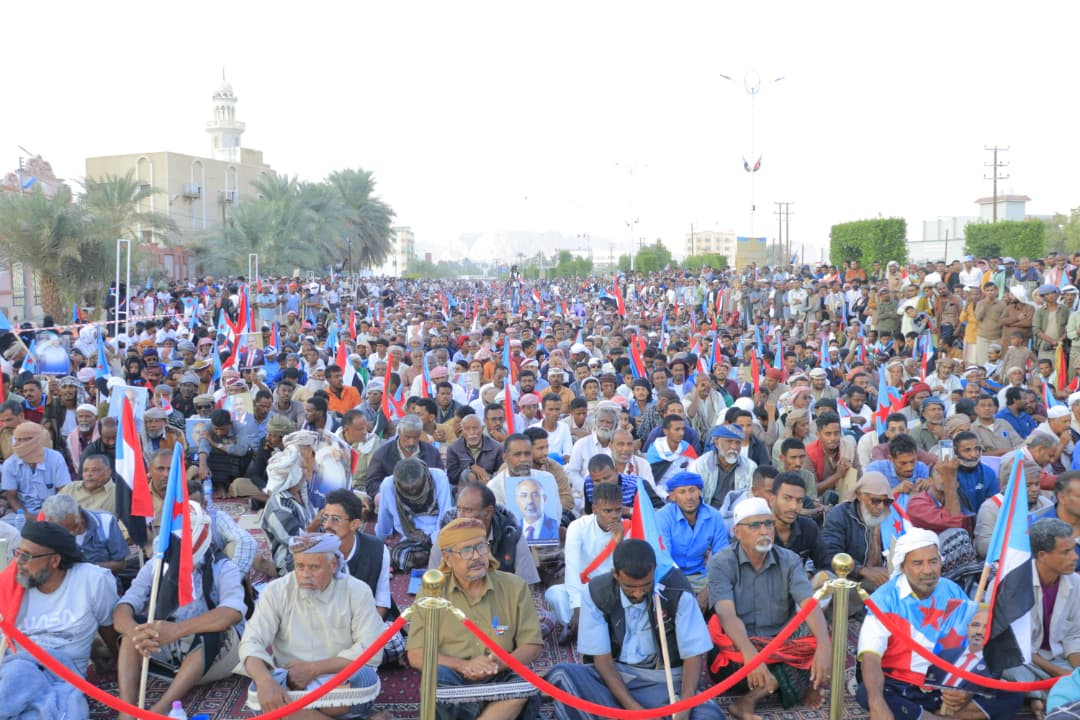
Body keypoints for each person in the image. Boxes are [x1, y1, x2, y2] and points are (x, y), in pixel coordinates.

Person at [546, 539, 725, 720]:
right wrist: (636, 712)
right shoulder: (597, 592)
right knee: (563, 675)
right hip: (616, 679)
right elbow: (603, 662)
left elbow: (693, 657)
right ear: (615, 574)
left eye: (645, 586)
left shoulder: (678, 590)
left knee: (708, 715)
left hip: (665, 683)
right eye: (630, 587)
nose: (638, 594)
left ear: (654, 570)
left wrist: (684, 711)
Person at [114, 502, 246, 720]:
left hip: (213, 654)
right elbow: (123, 608)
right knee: (133, 632)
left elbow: (232, 612)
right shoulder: (156, 565)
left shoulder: (222, 567)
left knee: (212, 632)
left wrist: (177, 630)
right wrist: (134, 632)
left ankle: (161, 708)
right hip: (167, 647)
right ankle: (127, 711)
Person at [238, 533, 389, 720]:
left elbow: (371, 651)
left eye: (314, 567)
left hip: (338, 678)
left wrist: (314, 669)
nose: (305, 575)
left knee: (366, 679)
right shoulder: (276, 591)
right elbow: (251, 642)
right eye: (300, 566)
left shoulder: (357, 591)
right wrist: (265, 681)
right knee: (258, 691)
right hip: (292, 683)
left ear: (333, 566)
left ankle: (299, 715)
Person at [406, 517, 543, 720]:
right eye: (466, 551)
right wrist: (462, 665)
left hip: (500, 673)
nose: (477, 556)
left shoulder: (514, 586)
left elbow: (532, 644)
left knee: (524, 682)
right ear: (448, 557)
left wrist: (499, 664)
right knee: (435, 678)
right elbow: (416, 655)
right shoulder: (432, 591)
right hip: (454, 676)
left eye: (481, 547)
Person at [706, 496, 832, 715]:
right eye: (755, 525)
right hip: (740, 654)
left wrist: (823, 646)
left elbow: (808, 604)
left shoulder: (790, 560)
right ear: (737, 532)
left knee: (821, 630)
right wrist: (751, 656)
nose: (764, 530)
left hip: (780, 645)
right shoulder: (721, 562)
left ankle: (755, 695)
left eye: (768, 523)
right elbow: (727, 614)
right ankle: (790, 686)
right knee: (722, 637)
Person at [856, 528, 978, 720]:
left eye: (933, 561)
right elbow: (871, 655)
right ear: (903, 566)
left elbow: (972, 642)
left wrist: (967, 688)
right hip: (901, 683)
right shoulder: (885, 598)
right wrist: (876, 703)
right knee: (870, 693)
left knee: (1007, 694)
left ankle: (926, 715)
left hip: (944, 684)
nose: (928, 570)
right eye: (918, 563)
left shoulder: (952, 590)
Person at [5, 521, 118, 719]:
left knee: (68, 711)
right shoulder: (10, 585)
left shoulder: (92, 581)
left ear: (55, 560)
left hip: (64, 677)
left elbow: (109, 627)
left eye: (27, 556)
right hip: (17, 670)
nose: (18, 561)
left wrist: (115, 657)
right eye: (18, 552)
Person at [1003, 518, 1080, 718]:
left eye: (1073, 549)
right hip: (1020, 661)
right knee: (1009, 669)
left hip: (1058, 659)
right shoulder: (1012, 583)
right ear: (1042, 555)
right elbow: (1015, 645)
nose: (1075, 557)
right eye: (1066, 552)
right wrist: (1061, 674)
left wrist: (1076, 674)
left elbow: (1074, 635)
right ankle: (1039, 695)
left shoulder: (1076, 582)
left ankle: (1038, 696)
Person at [318, 488, 404, 667]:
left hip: (364, 623)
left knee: (394, 642)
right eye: (325, 518)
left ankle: (345, 662)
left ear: (355, 524)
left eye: (335, 519)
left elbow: (381, 603)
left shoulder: (377, 549)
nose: (327, 525)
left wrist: (360, 633)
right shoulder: (316, 552)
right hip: (325, 627)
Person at [544, 482, 625, 644]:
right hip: (585, 588)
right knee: (554, 594)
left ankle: (585, 631)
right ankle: (584, 626)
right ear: (595, 509)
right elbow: (572, 569)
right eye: (607, 511)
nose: (614, 516)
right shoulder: (578, 527)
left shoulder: (627, 528)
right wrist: (577, 608)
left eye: (618, 510)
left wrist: (619, 542)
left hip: (613, 589)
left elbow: (626, 572)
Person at [655, 471, 729, 597]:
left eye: (692, 490)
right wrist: (685, 592)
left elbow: (722, 557)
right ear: (672, 496)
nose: (689, 497)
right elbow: (664, 560)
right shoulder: (663, 517)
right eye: (682, 492)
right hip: (671, 578)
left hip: (701, 577)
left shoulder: (714, 516)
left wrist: (707, 592)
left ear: (700, 492)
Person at [374, 456, 452, 570]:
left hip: (439, 532)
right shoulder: (388, 485)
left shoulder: (438, 477)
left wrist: (435, 542)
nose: (413, 491)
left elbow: (445, 514)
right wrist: (379, 543)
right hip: (412, 536)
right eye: (407, 489)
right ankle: (427, 555)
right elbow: (384, 519)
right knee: (398, 557)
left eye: (416, 487)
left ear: (423, 477)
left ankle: (429, 554)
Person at [262, 432, 320, 574]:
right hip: (291, 562)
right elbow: (298, 544)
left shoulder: (303, 490)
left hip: (315, 547)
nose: (310, 469)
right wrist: (319, 520)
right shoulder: (278, 507)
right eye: (304, 468)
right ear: (294, 475)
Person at [42, 493, 128, 574]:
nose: (72, 533)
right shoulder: (47, 531)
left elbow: (120, 564)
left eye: (75, 526)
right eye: (63, 531)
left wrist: (85, 569)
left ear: (79, 510)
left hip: (102, 582)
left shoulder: (106, 521)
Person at [363, 413, 444, 498]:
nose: (411, 442)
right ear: (399, 432)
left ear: (420, 434)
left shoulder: (432, 453)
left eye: (415, 437)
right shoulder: (383, 454)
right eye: (408, 437)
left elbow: (440, 480)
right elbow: (372, 484)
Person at [2, 421, 71, 513]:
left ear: (38, 440)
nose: (21, 443)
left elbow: (64, 491)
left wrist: (50, 514)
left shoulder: (55, 458)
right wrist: (26, 516)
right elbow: (11, 496)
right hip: (23, 512)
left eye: (27, 439)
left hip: (54, 510)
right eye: (18, 439)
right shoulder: (10, 464)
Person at [690, 424, 757, 511]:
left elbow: (751, 499)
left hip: (738, 515)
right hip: (708, 514)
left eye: (738, 443)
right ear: (717, 442)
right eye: (729, 441)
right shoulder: (700, 465)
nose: (734, 447)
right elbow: (695, 497)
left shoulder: (750, 467)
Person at [445, 413, 504, 486]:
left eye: (475, 428)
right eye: (467, 429)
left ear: (482, 429)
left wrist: (488, 479)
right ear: (462, 430)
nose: (472, 432)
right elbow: (451, 476)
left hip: (490, 487)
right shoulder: (453, 448)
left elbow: (501, 474)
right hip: (464, 490)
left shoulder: (497, 448)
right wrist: (470, 467)